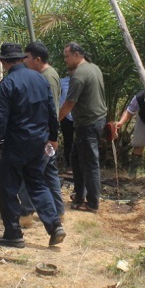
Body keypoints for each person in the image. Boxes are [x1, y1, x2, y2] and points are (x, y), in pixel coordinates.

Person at [0, 43, 66, 249]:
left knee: (9, 188)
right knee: (37, 183)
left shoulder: (7, 84)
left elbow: (1, 120)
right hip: (39, 141)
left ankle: (13, 234)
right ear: (21, 59)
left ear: (3, 62)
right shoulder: (40, 78)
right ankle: (55, 226)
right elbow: (51, 113)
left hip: (16, 143)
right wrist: (53, 137)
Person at [16, 42, 65, 223]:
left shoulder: (47, 78)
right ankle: (58, 211)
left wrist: (50, 136)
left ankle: (26, 212)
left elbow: (50, 110)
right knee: (48, 173)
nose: (24, 61)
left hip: (42, 135)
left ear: (37, 59)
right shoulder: (44, 75)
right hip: (45, 134)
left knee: (30, 172)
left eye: (27, 57)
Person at [58, 42, 106, 212]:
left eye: (67, 56)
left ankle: (92, 203)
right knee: (76, 160)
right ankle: (80, 195)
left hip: (89, 123)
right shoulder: (94, 68)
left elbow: (69, 103)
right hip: (93, 121)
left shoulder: (79, 75)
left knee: (90, 163)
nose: (65, 60)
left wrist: (55, 120)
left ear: (77, 55)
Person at [58, 76, 74, 170]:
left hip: (79, 117)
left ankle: (79, 165)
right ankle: (69, 164)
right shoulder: (62, 82)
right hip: (65, 116)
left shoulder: (83, 81)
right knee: (68, 141)